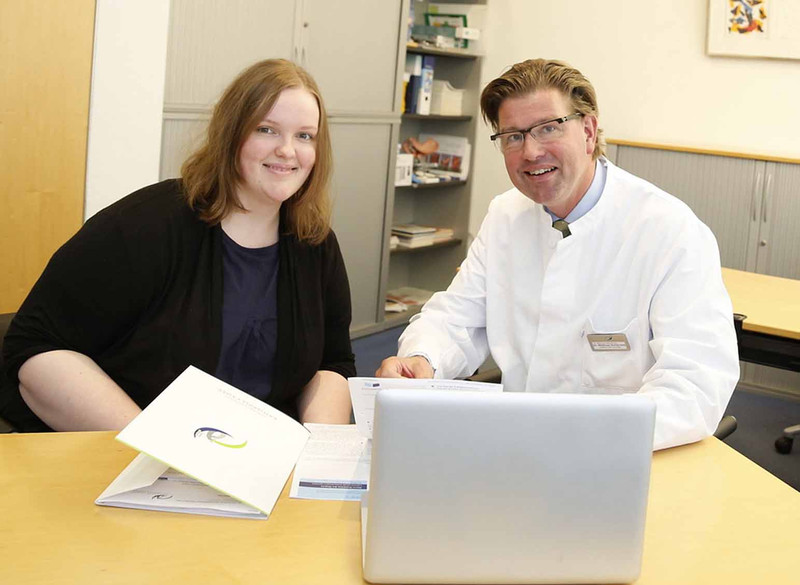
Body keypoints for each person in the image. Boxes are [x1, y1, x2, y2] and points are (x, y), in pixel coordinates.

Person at [376, 58, 739, 450]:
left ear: (588, 131)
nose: (531, 151)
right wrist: (423, 359)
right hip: (517, 447)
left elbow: (695, 383)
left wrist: (581, 437)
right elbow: (458, 319)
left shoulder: (669, 231)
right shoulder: (505, 215)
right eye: (513, 136)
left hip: (617, 455)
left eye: (548, 128)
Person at [1, 59, 355, 432]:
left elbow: (332, 363)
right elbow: (36, 344)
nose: (287, 150)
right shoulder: (145, 224)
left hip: (255, 453)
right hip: (131, 447)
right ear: (231, 133)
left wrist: (321, 449)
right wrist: (150, 445)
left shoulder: (315, 243)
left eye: (305, 136)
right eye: (266, 130)